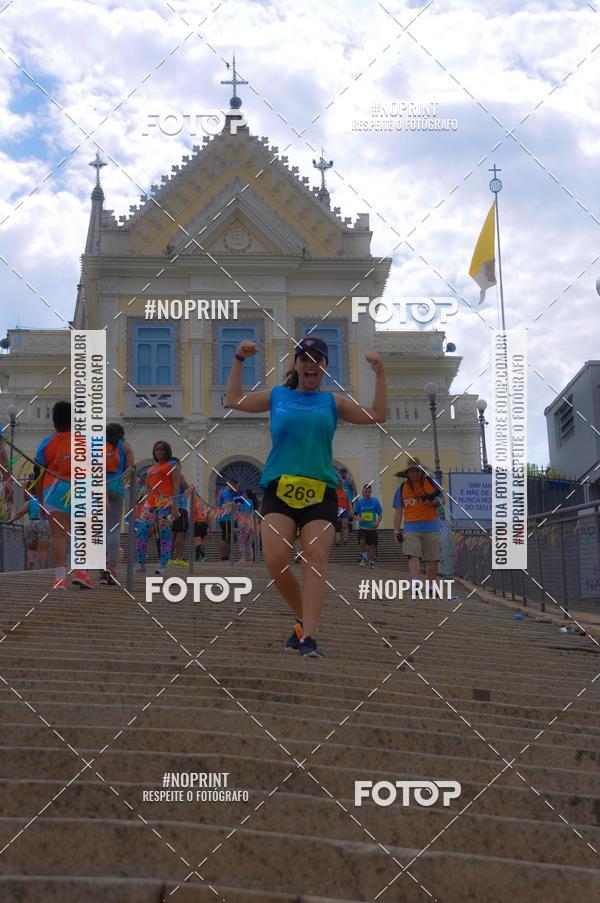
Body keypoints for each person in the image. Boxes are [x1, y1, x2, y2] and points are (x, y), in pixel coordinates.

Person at [225, 335, 387, 658]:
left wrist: (380, 373)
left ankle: (309, 637)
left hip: (320, 491)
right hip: (279, 487)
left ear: (325, 367)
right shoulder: (277, 395)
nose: (311, 364)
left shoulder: (333, 402)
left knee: (315, 560)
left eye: (318, 359)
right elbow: (233, 399)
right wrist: (239, 360)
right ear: (297, 365)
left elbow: (377, 415)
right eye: (305, 358)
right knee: (274, 559)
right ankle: (303, 618)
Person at [35, 400, 93, 590]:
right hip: (80, 488)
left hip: (53, 489)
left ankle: (60, 579)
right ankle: (82, 573)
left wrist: (41, 502)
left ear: (54, 421)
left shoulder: (47, 442)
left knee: (58, 535)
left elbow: (38, 475)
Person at [393, 458, 442, 590]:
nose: (414, 474)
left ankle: (431, 586)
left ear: (421, 472)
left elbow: (443, 500)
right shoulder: (402, 488)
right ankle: (416, 582)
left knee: (433, 558)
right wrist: (396, 530)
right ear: (408, 474)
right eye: (412, 471)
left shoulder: (431, 483)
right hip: (411, 527)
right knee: (412, 554)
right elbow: (398, 511)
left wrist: (432, 503)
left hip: (431, 526)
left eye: (417, 471)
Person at [135, 441, 180, 575]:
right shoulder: (150, 470)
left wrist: (175, 506)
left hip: (166, 504)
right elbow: (148, 489)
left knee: (165, 534)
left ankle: (163, 565)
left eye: (162, 450)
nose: (159, 452)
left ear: (167, 451)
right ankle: (141, 563)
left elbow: (176, 486)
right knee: (142, 532)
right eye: (157, 450)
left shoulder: (173, 465)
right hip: (150, 505)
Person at [101, 423, 134, 585]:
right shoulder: (126, 448)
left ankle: (100, 568)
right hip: (117, 489)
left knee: (100, 530)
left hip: (99, 489)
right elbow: (129, 472)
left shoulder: (99, 445)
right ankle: (111, 567)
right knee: (113, 529)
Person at [8, 473, 50, 569]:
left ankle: (31, 562)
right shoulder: (46, 501)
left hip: (31, 524)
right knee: (42, 550)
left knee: (31, 548)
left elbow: (20, 513)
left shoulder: (30, 502)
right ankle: (42, 569)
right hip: (44, 523)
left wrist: (12, 520)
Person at [354, 484, 383, 568]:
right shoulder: (359, 503)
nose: (367, 493)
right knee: (362, 541)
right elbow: (354, 515)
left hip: (372, 528)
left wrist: (377, 522)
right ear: (363, 492)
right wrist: (359, 519)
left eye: (369, 492)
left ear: (371, 492)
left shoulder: (375, 501)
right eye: (366, 492)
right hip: (362, 527)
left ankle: (371, 561)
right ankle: (364, 558)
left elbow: (380, 514)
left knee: (372, 546)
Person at [169, 459, 190, 567]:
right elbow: (187, 488)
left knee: (172, 534)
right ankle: (179, 558)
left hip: (167, 507)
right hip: (180, 507)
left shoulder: (166, 476)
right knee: (181, 533)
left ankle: (169, 558)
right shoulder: (179, 476)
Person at [216, 481, 237, 560]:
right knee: (226, 538)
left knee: (231, 538)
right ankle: (225, 557)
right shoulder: (225, 492)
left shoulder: (228, 493)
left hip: (227, 518)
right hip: (225, 518)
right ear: (231, 485)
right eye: (235, 487)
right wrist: (236, 504)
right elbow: (226, 503)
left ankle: (226, 556)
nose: (235, 489)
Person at [235, 488, 255, 562]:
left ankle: (244, 557)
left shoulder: (247, 501)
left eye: (243, 493)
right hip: (250, 523)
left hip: (245, 523)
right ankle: (250, 557)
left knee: (241, 540)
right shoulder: (249, 501)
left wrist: (240, 518)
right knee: (248, 541)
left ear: (245, 494)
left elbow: (246, 512)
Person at [193, 493, 211, 562]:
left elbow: (191, 517)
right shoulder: (205, 506)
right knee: (198, 541)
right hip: (205, 525)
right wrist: (210, 531)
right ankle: (197, 558)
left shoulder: (194, 505)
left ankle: (204, 555)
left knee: (197, 541)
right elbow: (209, 519)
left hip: (198, 523)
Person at [334, 477, 351, 545]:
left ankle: (345, 541)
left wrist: (351, 509)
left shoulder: (346, 492)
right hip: (336, 510)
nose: (339, 484)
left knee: (344, 525)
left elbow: (349, 501)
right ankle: (337, 541)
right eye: (338, 483)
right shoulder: (334, 492)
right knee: (337, 526)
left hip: (344, 510)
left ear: (342, 484)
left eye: (340, 483)